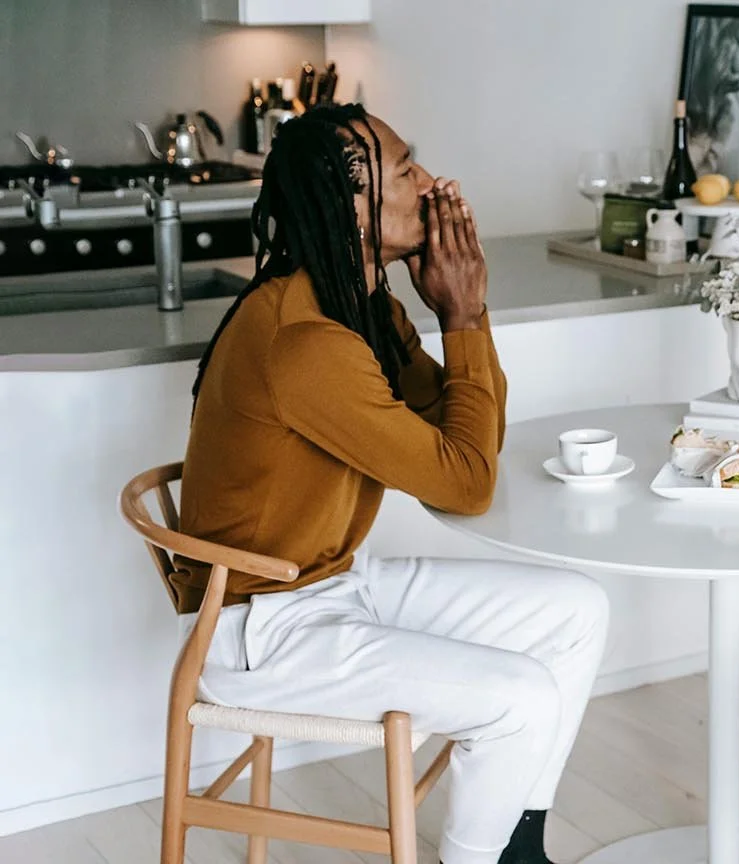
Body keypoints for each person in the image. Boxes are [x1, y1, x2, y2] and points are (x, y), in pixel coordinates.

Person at [175, 103, 609, 864]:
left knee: (577, 608)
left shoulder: (358, 305)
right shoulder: (305, 343)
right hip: (260, 627)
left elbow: (474, 439)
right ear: (353, 205)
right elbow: (467, 483)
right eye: (405, 170)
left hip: (331, 584)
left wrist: (458, 313)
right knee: (522, 697)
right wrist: (465, 311)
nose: (432, 184)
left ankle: (516, 844)